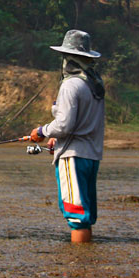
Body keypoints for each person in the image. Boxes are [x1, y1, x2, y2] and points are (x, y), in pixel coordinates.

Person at [30, 30, 105, 244]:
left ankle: (78, 268)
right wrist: (56, 138)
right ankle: (86, 264)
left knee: (77, 215)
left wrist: (42, 132)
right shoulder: (95, 85)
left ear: (69, 58)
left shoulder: (71, 85)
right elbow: (82, 123)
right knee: (85, 214)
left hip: (73, 156)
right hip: (91, 156)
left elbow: (64, 124)